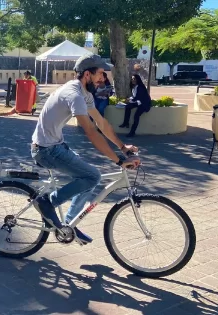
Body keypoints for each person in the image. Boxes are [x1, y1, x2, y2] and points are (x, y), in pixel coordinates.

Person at [31, 54, 141, 244]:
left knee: (87, 176)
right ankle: (48, 202)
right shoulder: (74, 94)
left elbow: (101, 123)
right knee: (92, 176)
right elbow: (90, 131)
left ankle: (69, 223)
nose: (103, 78)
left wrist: (123, 147)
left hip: (56, 145)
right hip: (45, 150)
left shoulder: (85, 93)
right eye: (100, 74)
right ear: (87, 74)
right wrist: (119, 161)